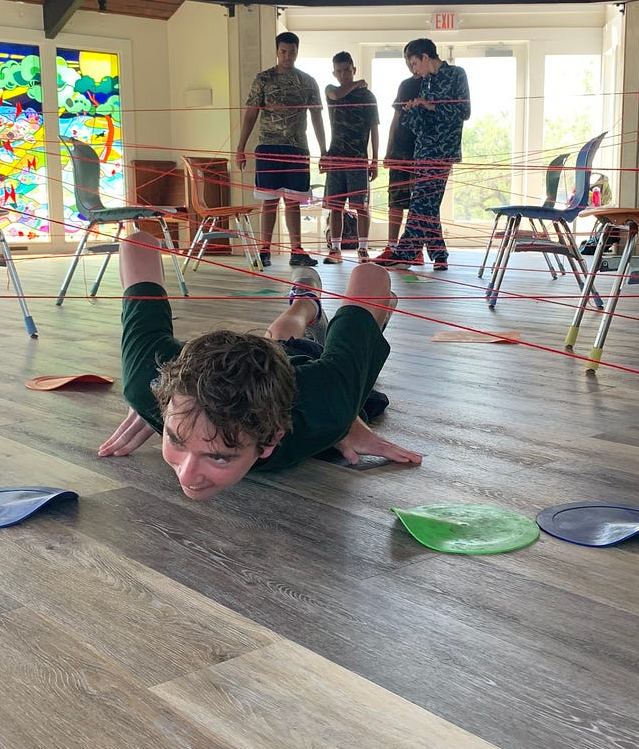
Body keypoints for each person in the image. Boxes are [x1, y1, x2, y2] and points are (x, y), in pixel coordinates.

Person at [97, 232, 422, 501]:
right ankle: (304, 302)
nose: (187, 473)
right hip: (253, 363)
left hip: (306, 373)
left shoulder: (327, 407)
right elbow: (138, 241)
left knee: (313, 337)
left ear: (270, 440)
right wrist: (151, 399)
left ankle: (307, 303)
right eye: (176, 439)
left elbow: (371, 274)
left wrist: (345, 415)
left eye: (219, 456)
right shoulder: (148, 383)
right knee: (279, 337)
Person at [374, 38, 470, 272]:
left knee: (422, 201)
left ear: (426, 57)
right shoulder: (425, 82)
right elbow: (419, 124)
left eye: (415, 64)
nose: (414, 70)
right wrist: (413, 110)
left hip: (443, 150)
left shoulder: (457, 74)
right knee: (427, 201)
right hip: (423, 149)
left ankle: (406, 252)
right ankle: (438, 254)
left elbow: (464, 111)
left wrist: (430, 106)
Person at [235, 30, 325, 268]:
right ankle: (265, 249)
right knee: (269, 200)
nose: (288, 56)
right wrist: (240, 147)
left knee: (294, 200)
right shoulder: (263, 79)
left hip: (297, 148)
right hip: (268, 146)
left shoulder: (307, 81)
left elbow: (317, 116)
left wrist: (324, 149)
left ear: (297, 51)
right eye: (283, 52)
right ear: (277, 52)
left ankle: (296, 249)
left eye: (292, 52)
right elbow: (251, 114)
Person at [322, 51, 379, 264]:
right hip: (336, 157)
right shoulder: (331, 90)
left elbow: (374, 127)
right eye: (339, 71)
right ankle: (335, 248)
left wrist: (375, 159)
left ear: (353, 70)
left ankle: (362, 249)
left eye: (347, 70)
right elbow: (337, 95)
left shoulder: (367, 96)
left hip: (358, 158)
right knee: (335, 206)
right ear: (334, 73)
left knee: (361, 206)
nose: (344, 74)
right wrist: (357, 84)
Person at [383, 59, 420, 250]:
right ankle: (391, 246)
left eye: (414, 61)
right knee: (395, 200)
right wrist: (388, 151)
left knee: (418, 203)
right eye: (408, 61)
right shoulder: (405, 85)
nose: (411, 65)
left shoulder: (433, 84)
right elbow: (396, 118)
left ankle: (414, 249)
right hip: (400, 150)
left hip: (422, 151)